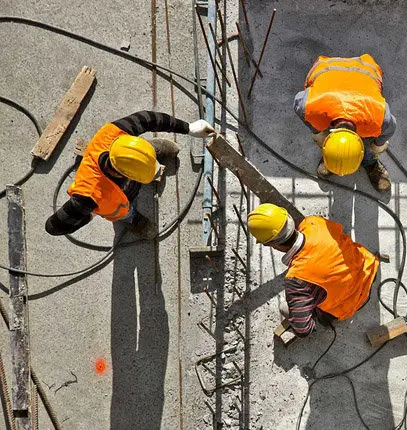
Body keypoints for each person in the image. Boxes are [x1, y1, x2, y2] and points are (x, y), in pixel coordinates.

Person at [45, 111, 215, 238]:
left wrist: (188, 128)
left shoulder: (114, 132)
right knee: (124, 212)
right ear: (125, 174)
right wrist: (91, 214)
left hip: (132, 154)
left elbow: (149, 119)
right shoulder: (88, 196)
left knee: (146, 152)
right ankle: (132, 218)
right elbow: (53, 227)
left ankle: (150, 150)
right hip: (119, 205)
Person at [247, 203, 379, 337]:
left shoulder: (296, 280)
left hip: (351, 303)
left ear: (272, 244)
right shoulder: (313, 223)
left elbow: (303, 330)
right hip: (368, 269)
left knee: (284, 307)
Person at [293, 54, 397, 193]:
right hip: (326, 67)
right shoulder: (309, 107)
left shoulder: (379, 119)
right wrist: (317, 132)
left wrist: (377, 147)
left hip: (364, 68)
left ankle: (370, 162)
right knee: (329, 137)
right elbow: (298, 102)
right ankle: (334, 157)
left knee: (372, 147)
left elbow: (390, 128)